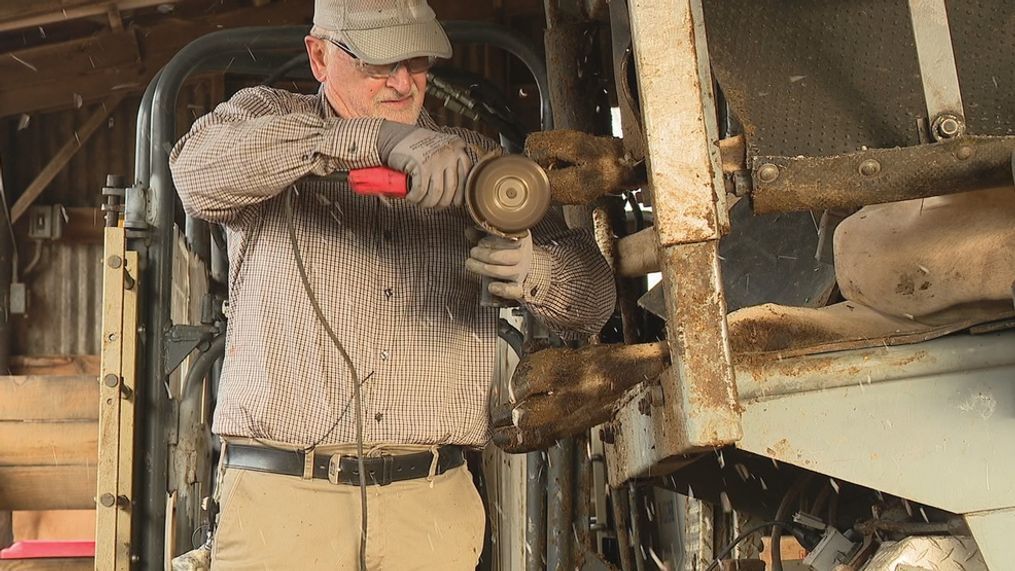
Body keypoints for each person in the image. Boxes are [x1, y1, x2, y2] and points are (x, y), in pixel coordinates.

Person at [169, 0, 615, 569]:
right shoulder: (266, 122)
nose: (404, 82)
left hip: (430, 505)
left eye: (417, 61)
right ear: (320, 56)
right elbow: (196, 175)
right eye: (380, 64)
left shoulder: (478, 162)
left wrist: (538, 275)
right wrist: (375, 141)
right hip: (284, 502)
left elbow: (596, 301)